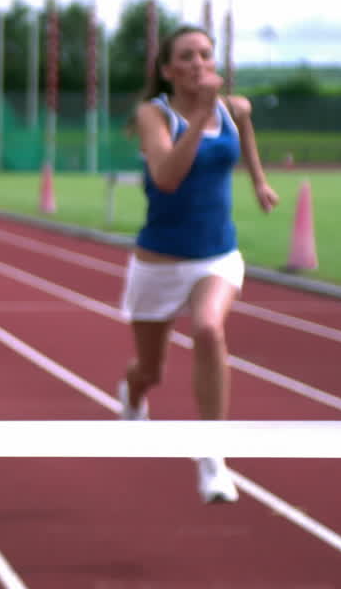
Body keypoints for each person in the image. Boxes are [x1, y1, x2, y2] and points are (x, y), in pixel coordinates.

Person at [117, 25, 278, 504]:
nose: (198, 64)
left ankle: (212, 460)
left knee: (209, 329)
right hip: (159, 263)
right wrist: (203, 114)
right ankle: (132, 394)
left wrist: (259, 182)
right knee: (151, 369)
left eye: (205, 55)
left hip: (217, 255)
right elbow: (166, 177)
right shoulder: (154, 115)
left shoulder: (236, 109)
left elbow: (244, 134)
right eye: (186, 57)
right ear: (167, 71)